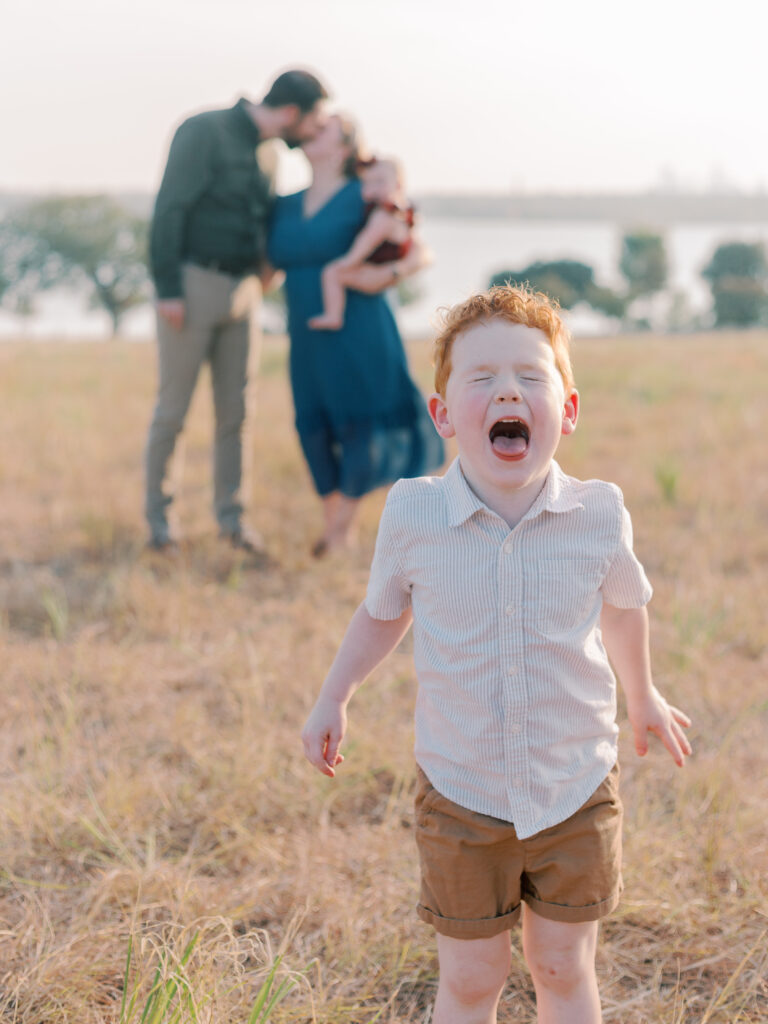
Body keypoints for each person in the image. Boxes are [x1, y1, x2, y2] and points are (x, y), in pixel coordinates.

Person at [302, 284, 692, 1023]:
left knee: (562, 967)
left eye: (530, 376)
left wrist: (641, 696)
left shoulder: (598, 512)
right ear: (444, 415)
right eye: (481, 378)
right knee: (473, 977)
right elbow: (382, 615)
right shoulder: (414, 512)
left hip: (574, 783)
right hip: (462, 791)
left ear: (567, 411)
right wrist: (334, 696)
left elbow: (625, 607)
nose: (506, 389)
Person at [144, 69, 328, 553]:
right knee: (174, 410)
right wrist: (168, 288)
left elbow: (264, 218)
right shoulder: (203, 130)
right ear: (291, 113)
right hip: (192, 283)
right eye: (312, 122)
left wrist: (268, 271)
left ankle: (233, 522)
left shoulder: (269, 154)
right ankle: (160, 527)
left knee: (237, 412)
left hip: (245, 292)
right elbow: (170, 210)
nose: (311, 132)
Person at [268, 115, 444, 556]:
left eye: (323, 127)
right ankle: (338, 527)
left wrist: (387, 274)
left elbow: (419, 248)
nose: (311, 129)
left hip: (362, 328)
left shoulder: (364, 196)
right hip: (307, 333)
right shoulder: (285, 205)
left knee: (365, 421)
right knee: (314, 422)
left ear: (345, 146)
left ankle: (338, 530)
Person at [307, 157, 416, 331]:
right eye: (368, 183)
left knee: (332, 273)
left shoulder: (384, 215)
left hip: (376, 268)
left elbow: (365, 241)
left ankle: (333, 315)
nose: (373, 188)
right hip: (384, 263)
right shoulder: (402, 209)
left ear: (398, 185)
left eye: (380, 182)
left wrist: (348, 262)